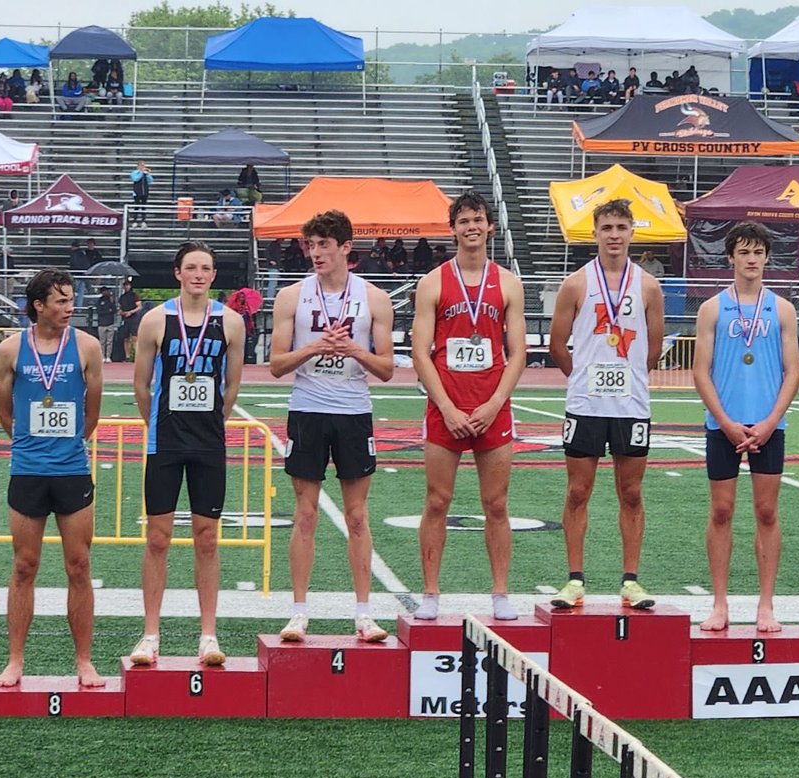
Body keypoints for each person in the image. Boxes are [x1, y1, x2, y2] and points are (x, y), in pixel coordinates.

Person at [269, 211, 395, 641]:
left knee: (357, 516)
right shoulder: (291, 296)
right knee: (305, 515)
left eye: (324, 245)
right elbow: (275, 365)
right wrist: (314, 348)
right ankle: (299, 612)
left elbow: (387, 369)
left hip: (353, 411)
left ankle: (364, 613)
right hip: (307, 410)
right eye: (311, 245)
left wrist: (355, 352)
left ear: (345, 248)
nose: (316, 253)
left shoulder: (374, 298)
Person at [127, 241, 245, 668]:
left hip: (209, 443)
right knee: (158, 538)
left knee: (207, 539)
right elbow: (140, 386)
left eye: (206, 268)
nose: (199, 274)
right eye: (191, 267)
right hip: (165, 441)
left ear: (214, 275)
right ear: (177, 273)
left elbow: (231, 386)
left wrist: (215, 420)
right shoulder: (156, 320)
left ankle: (208, 634)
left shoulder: (230, 322)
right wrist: (156, 424)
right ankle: (150, 634)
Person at [412, 192, 528, 621]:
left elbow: (517, 353)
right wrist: (446, 406)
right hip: (447, 408)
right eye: (463, 221)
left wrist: (495, 402)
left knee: (496, 504)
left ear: (490, 227)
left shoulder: (509, 283)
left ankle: (500, 592)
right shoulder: (434, 282)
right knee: (437, 501)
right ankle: (430, 592)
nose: (471, 227)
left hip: (491, 408)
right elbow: (420, 352)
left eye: (478, 219)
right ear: (454, 229)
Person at [0, 268, 104, 687]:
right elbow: (6, 413)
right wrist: (31, 446)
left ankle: (84, 661)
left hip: (73, 469)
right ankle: (15, 660)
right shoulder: (10, 349)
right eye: (60, 301)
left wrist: (68, 443)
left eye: (71, 299)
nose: (69, 307)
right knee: (24, 566)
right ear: (38, 305)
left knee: (79, 565)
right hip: (28, 470)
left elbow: (92, 413)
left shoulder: (87, 347)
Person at [548, 198, 664, 610]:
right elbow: (557, 345)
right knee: (578, 490)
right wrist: (583, 380)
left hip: (631, 406)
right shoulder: (577, 283)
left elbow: (653, 348)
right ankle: (575, 579)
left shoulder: (648, 285)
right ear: (594, 233)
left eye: (621, 227)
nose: (614, 235)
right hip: (586, 405)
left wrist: (627, 378)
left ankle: (630, 581)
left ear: (632, 232)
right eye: (607, 228)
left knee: (631, 492)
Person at [692, 222, 799, 632]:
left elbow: (793, 372)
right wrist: (725, 421)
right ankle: (720, 603)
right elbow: (700, 372)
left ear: (767, 257)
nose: (751, 259)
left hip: (768, 424)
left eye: (758, 252)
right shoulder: (713, 308)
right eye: (744, 252)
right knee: (721, 510)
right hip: (724, 423)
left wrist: (772, 421)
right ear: (731, 258)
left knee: (767, 511)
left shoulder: (782, 308)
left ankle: (766, 604)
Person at [118, 280, 142, 360]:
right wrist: (121, 312)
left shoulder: (134, 295)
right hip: (125, 319)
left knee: (135, 338)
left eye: (127, 285)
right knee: (126, 338)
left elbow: (139, 306)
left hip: (134, 319)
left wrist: (131, 312)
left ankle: (137, 356)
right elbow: (119, 307)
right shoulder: (122, 297)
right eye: (125, 285)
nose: (126, 287)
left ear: (130, 286)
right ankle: (127, 356)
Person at [96, 286, 119, 360]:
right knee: (102, 341)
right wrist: (108, 311)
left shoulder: (111, 300)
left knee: (109, 341)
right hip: (101, 323)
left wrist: (112, 304)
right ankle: (102, 356)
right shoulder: (100, 301)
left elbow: (114, 311)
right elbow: (99, 311)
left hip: (110, 323)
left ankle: (108, 356)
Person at [67, 240, 89, 308]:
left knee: (72, 292)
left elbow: (74, 264)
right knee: (81, 294)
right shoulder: (83, 253)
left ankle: (71, 307)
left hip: (76, 275)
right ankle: (79, 308)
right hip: (83, 276)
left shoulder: (74, 254)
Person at [130, 160, 152, 226]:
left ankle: (143, 221)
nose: (143, 167)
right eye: (142, 165)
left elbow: (150, 181)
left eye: (144, 165)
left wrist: (148, 174)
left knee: (144, 207)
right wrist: (141, 173)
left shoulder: (145, 173)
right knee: (136, 206)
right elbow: (135, 179)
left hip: (144, 192)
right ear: (138, 166)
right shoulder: (134, 173)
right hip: (137, 192)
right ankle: (135, 221)